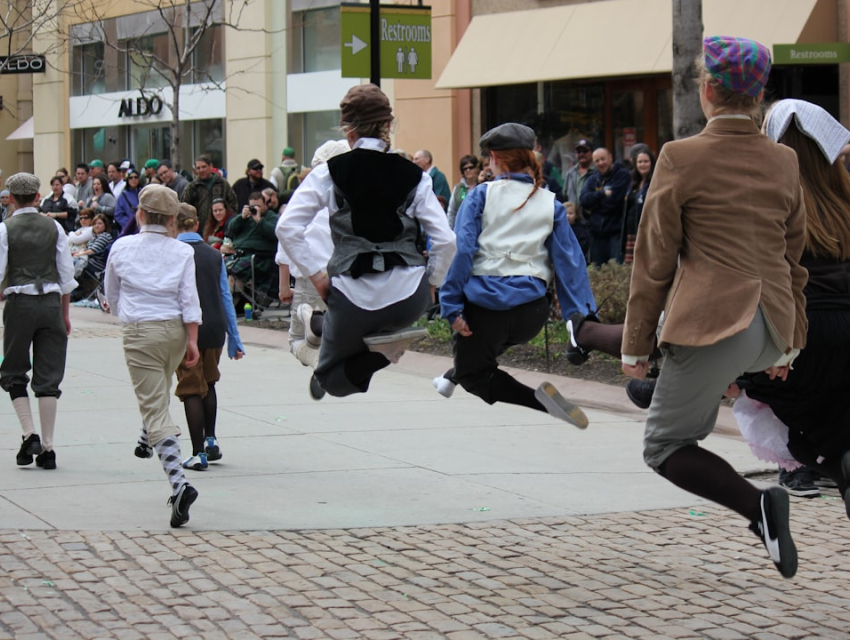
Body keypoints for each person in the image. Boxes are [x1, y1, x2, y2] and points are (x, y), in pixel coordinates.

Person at [621, 36, 807, 578]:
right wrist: (790, 344)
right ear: (758, 96)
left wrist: (635, 346)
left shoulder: (681, 156)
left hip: (714, 324)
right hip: (771, 327)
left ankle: (761, 511)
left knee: (665, 445)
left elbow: (653, 263)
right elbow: (793, 261)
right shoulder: (785, 160)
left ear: (706, 91)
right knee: (712, 387)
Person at [278, 84, 456, 400]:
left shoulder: (329, 173)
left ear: (348, 131)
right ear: (388, 126)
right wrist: (431, 284)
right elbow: (445, 239)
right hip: (409, 299)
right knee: (396, 315)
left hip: (352, 297)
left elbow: (288, 227)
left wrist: (317, 276)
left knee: (330, 379)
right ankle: (384, 346)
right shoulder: (416, 175)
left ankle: (379, 355)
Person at [438, 123, 594, 427]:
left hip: (485, 311)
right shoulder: (551, 203)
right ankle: (452, 373)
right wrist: (580, 318)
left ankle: (539, 402)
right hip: (530, 315)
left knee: (474, 374)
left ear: (494, 157)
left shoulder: (481, 195)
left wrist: (450, 305)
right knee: (480, 353)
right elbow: (571, 265)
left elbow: (462, 252)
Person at [104, 184, 202, 528]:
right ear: (173, 218)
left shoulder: (122, 247)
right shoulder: (181, 252)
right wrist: (192, 340)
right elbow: (190, 299)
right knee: (157, 390)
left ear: (140, 214)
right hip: (174, 330)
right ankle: (145, 439)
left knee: (154, 404)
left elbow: (112, 295)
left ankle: (179, 485)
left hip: (140, 329)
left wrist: (126, 313)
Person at [1, 173, 76, 471]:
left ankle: (28, 433)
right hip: (51, 304)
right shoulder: (55, 227)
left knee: (13, 371)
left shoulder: (5, 230)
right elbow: (66, 277)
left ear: (11, 198)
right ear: (37, 196)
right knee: (49, 376)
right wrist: (65, 314)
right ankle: (48, 448)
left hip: (20, 303)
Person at [174, 203, 245, 470]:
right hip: (215, 327)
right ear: (196, 224)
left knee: (191, 387)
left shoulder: (174, 253)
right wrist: (234, 337)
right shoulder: (215, 256)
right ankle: (211, 441)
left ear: (174, 224)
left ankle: (196, 452)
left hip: (187, 328)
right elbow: (226, 297)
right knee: (209, 382)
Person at [277, 139, 349, 368]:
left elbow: (286, 241)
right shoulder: (350, 198)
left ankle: (316, 356)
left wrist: (283, 285)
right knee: (342, 332)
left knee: (296, 339)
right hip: (343, 277)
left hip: (309, 277)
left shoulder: (304, 199)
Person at [579, 148, 630, 265]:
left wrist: (594, 203)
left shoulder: (622, 175)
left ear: (610, 158)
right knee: (597, 271)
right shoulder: (592, 179)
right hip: (596, 233)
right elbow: (583, 200)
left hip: (615, 233)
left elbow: (614, 202)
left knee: (616, 272)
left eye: (603, 159)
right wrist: (602, 194)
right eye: (597, 161)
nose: (600, 163)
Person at [181, 153, 238, 233]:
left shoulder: (222, 183)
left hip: (221, 229)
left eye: (204, 167)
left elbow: (233, 203)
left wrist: (228, 221)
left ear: (210, 166)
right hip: (199, 229)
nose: (201, 170)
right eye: (198, 168)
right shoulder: (192, 187)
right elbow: (184, 207)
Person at [622, 148, 655, 264]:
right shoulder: (633, 183)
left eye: (646, 161)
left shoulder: (656, 182)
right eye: (640, 162)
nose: (643, 165)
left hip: (647, 232)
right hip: (632, 231)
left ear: (652, 163)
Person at [446, 155, 480, 230]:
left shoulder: (482, 185)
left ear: (477, 169)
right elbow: (452, 211)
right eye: (465, 169)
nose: (468, 170)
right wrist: (449, 231)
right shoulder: (459, 188)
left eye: (471, 167)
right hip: (462, 228)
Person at [114, 169, 144, 233]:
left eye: (136, 177)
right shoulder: (123, 196)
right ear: (127, 180)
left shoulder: (144, 193)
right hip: (130, 230)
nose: (133, 179)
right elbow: (118, 214)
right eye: (131, 178)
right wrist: (130, 224)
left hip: (143, 227)